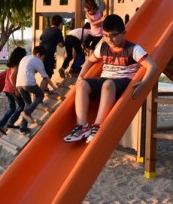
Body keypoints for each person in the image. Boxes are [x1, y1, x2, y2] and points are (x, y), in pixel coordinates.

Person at [63, 14, 158, 144]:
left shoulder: (133, 49)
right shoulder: (103, 47)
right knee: (82, 84)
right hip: (105, 80)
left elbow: (152, 66)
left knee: (108, 84)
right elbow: (89, 61)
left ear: (123, 33)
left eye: (113, 35)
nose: (109, 39)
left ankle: (98, 126)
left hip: (122, 81)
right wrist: (80, 76)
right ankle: (82, 126)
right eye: (106, 35)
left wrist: (144, 83)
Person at [16, 46, 60, 135]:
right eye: (43, 58)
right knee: (40, 95)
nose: (42, 60)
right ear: (38, 54)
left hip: (19, 84)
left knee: (28, 103)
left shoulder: (25, 58)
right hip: (28, 82)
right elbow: (45, 76)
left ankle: (23, 127)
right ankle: (27, 112)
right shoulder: (37, 60)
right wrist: (54, 87)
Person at [0, 47, 27, 135]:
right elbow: (12, 77)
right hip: (12, 89)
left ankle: (1, 124)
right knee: (22, 105)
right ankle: (11, 122)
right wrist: (16, 89)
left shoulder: (11, 64)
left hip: (7, 89)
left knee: (12, 108)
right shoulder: (17, 65)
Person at [39, 15, 65, 90]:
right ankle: (40, 93)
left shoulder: (46, 30)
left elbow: (41, 40)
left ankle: (45, 88)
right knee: (47, 75)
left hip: (40, 54)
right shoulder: (58, 31)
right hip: (48, 54)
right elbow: (61, 45)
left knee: (46, 73)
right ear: (60, 24)